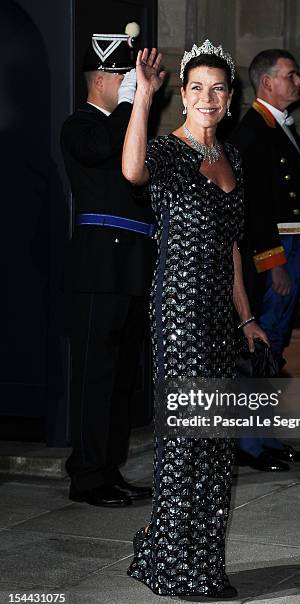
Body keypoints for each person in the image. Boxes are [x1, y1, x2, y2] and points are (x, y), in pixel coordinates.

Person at [122, 41, 268, 598]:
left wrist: (247, 317)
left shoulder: (232, 160)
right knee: (186, 439)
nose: (208, 98)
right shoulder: (167, 149)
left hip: (216, 313)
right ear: (182, 96)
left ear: (230, 100)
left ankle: (193, 557)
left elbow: (232, 247)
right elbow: (132, 170)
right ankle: (177, 568)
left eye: (218, 89)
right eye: (197, 88)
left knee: (214, 443)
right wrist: (142, 98)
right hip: (179, 312)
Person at [61, 26, 155, 507]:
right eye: (124, 76)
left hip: (133, 265)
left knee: (121, 380)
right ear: (101, 78)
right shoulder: (80, 124)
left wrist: (133, 108)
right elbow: (102, 151)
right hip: (99, 267)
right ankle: (86, 475)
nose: (131, 84)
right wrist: (130, 104)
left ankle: (109, 467)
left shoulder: (127, 121)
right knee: (95, 376)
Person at [230, 49, 300, 471]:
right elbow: (257, 208)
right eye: (291, 74)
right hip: (271, 252)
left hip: (292, 248)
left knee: (277, 347)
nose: (298, 82)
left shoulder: (281, 126)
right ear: (267, 82)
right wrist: (275, 261)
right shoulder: (253, 130)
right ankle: (248, 444)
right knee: (259, 346)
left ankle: (265, 436)